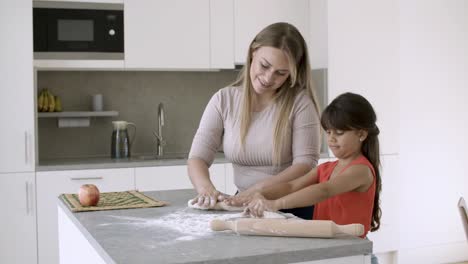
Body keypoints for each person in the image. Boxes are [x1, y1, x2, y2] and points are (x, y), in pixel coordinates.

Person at [187, 22, 322, 219]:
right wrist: (206, 188)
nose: (268, 78)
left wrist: (257, 190)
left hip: (291, 207)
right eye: (264, 65)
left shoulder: (300, 104)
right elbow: (197, 158)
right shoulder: (224, 100)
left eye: (281, 73)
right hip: (245, 204)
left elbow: (305, 164)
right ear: (253, 52)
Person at [243, 92, 382, 240]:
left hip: (354, 250)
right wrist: (261, 195)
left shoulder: (361, 170)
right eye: (328, 132)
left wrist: (275, 204)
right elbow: (291, 186)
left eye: (339, 133)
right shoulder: (325, 168)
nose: (331, 139)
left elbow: (324, 190)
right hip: (328, 246)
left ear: (361, 134)